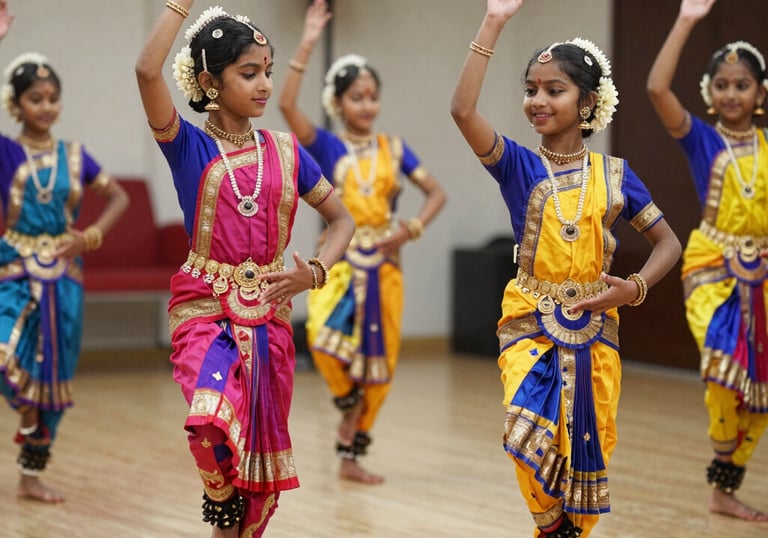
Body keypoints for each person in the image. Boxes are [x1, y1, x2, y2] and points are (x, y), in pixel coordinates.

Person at [450, 1, 682, 536]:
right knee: (524, 428)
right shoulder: (516, 163)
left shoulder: (616, 175)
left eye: (554, 89)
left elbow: (667, 243)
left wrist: (636, 288)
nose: (537, 100)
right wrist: (493, 23)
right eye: (531, 88)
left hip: (597, 329)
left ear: (588, 102)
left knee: (588, 442)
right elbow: (463, 111)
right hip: (530, 315)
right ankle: (550, 526)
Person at [135, 1, 354, 536]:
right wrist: (178, 6)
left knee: (256, 477)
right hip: (205, 311)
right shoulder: (186, 144)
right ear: (210, 80)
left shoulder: (287, 150)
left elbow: (342, 219)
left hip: (271, 321)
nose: (263, 85)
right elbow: (146, 71)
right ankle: (221, 500)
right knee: (211, 419)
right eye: (249, 73)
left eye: (268, 73)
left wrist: (316, 272)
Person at [278, 0, 446, 485]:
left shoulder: (395, 149)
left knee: (382, 363)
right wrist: (307, 42)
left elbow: (435, 193)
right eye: (356, 97)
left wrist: (407, 231)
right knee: (323, 341)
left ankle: (351, 455)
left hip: (385, 266)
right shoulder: (327, 145)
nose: (366, 105)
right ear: (339, 102)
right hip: (338, 261)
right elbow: (287, 106)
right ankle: (345, 404)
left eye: (372, 96)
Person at [0, 1, 129, 504]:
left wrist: (90, 236)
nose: (47, 106)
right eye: (35, 98)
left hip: (64, 277)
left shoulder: (74, 156)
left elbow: (117, 197)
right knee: (6, 349)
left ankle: (32, 475)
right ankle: (25, 413)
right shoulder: (6, 153)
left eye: (53, 97)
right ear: (17, 105)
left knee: (53, 375)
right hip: (13, 270)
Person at [646, 0, 768, 523]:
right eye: (722, 84)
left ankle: (725, 487)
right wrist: (687, 20)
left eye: (742, 84)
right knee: (722, 372)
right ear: (710, 94)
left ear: (760, 93)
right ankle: (723, 485)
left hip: (762, 274)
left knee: (759, 392)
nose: (732, 93)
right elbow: (655, 90)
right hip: (711, 266)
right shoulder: (701, 138)